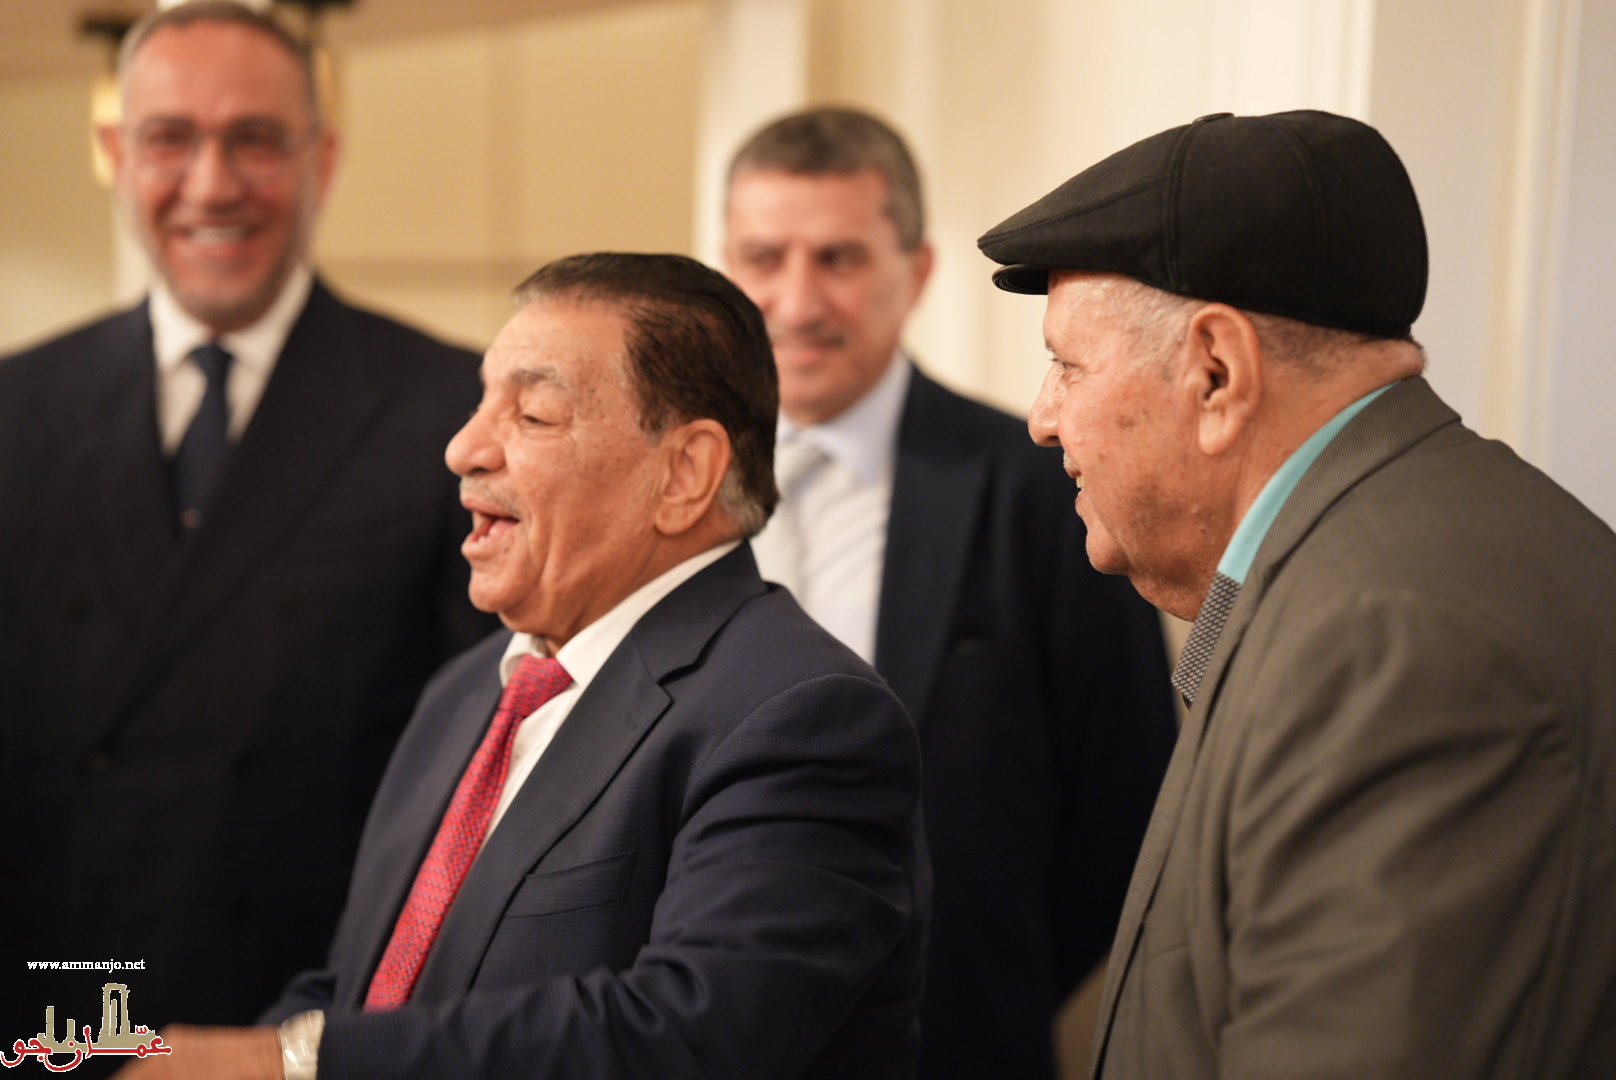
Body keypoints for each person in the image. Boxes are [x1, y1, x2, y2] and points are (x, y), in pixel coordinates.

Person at [109, 251, 928, 1080]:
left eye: (533, 414)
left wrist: (293, 1063)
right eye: (481, 403)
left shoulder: (801, 715)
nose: (463, 448)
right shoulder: (465, 691)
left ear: (684, 473)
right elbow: (363, 988)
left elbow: (690, 1030)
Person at [978, 109, 1616, 1079]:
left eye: (1067, 365)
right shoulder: (1377, 569)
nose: (1041, 418)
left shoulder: (1390, 645)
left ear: (1216, 372)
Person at [0, 0, 494, 1042]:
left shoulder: (454, 412)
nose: (212, 183)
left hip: (312, 1020)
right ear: (115, 156)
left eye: (256, 140)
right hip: (59, 1013)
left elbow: (483, 777)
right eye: (170, 139)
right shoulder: (15, 409)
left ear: (323, 160)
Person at [722, 106, 1177, 1079]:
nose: (796, 300)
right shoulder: (656, 485)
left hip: (956, 1042)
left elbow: (1127, 801)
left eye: (838, 258)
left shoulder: (1046, 488)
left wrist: (977, 984)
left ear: (917, 271)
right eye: (763, 258)